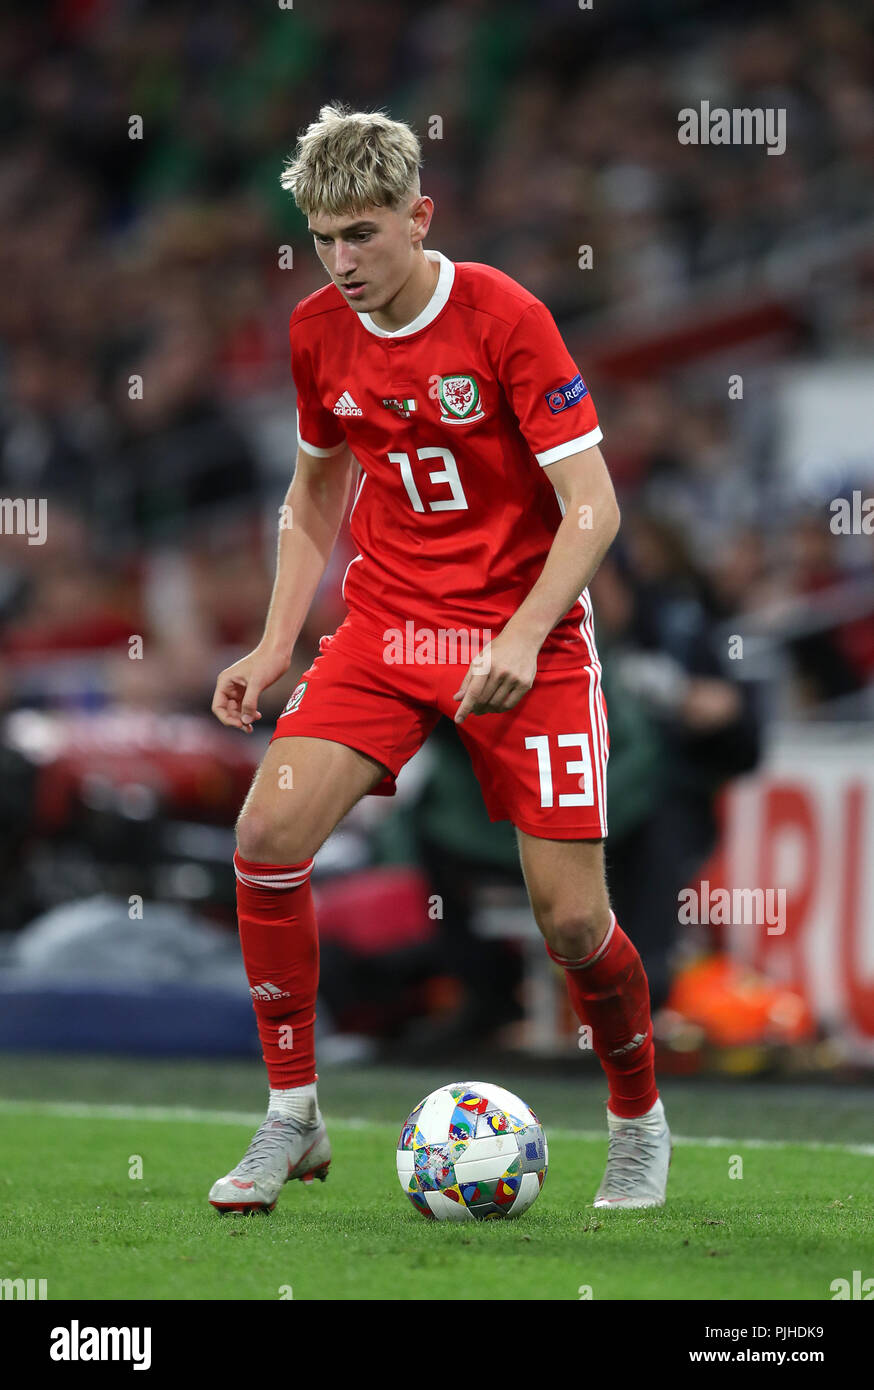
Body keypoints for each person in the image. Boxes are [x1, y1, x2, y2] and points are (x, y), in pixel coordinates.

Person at [207, 104, 670, 1214]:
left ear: (420, 216)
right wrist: (276, 640)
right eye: (322, 237)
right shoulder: (318, 327)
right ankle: (293, 1117)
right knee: (265, 833)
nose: (341, 260)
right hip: (388, 626)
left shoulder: (506, 317)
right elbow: (317, 484)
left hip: (529, 635)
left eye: (362, 233)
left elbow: (594, 508)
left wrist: (518, 632)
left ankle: (637, 1120)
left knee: (570, 922)